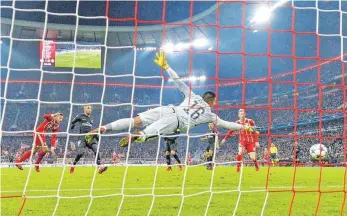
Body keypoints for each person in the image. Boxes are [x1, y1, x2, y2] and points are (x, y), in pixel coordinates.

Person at [86, 52, 255, 147]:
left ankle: (102, 128)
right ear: (212, 101)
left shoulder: (192, 96)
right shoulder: (211, 115)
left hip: (168, 109)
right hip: (175, 122)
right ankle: (138, 137)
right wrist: (245, 126)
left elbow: (178, 81)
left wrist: (166, 66)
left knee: (135, 120)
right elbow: (228, 125)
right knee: (146, 134)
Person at [70, 105, 107, 174]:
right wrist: (72, 125)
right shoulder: (80, 116)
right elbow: (72, 122)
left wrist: (96, 137)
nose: (90, 109)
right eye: (88, 108)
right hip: (82, 138)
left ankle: (99, 167)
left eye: (91, 108)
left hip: (90, 137)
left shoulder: (91, 119)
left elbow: (91, 130)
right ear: (84, 109)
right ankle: (73, 164)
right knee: (80, 153)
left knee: (96, 149)